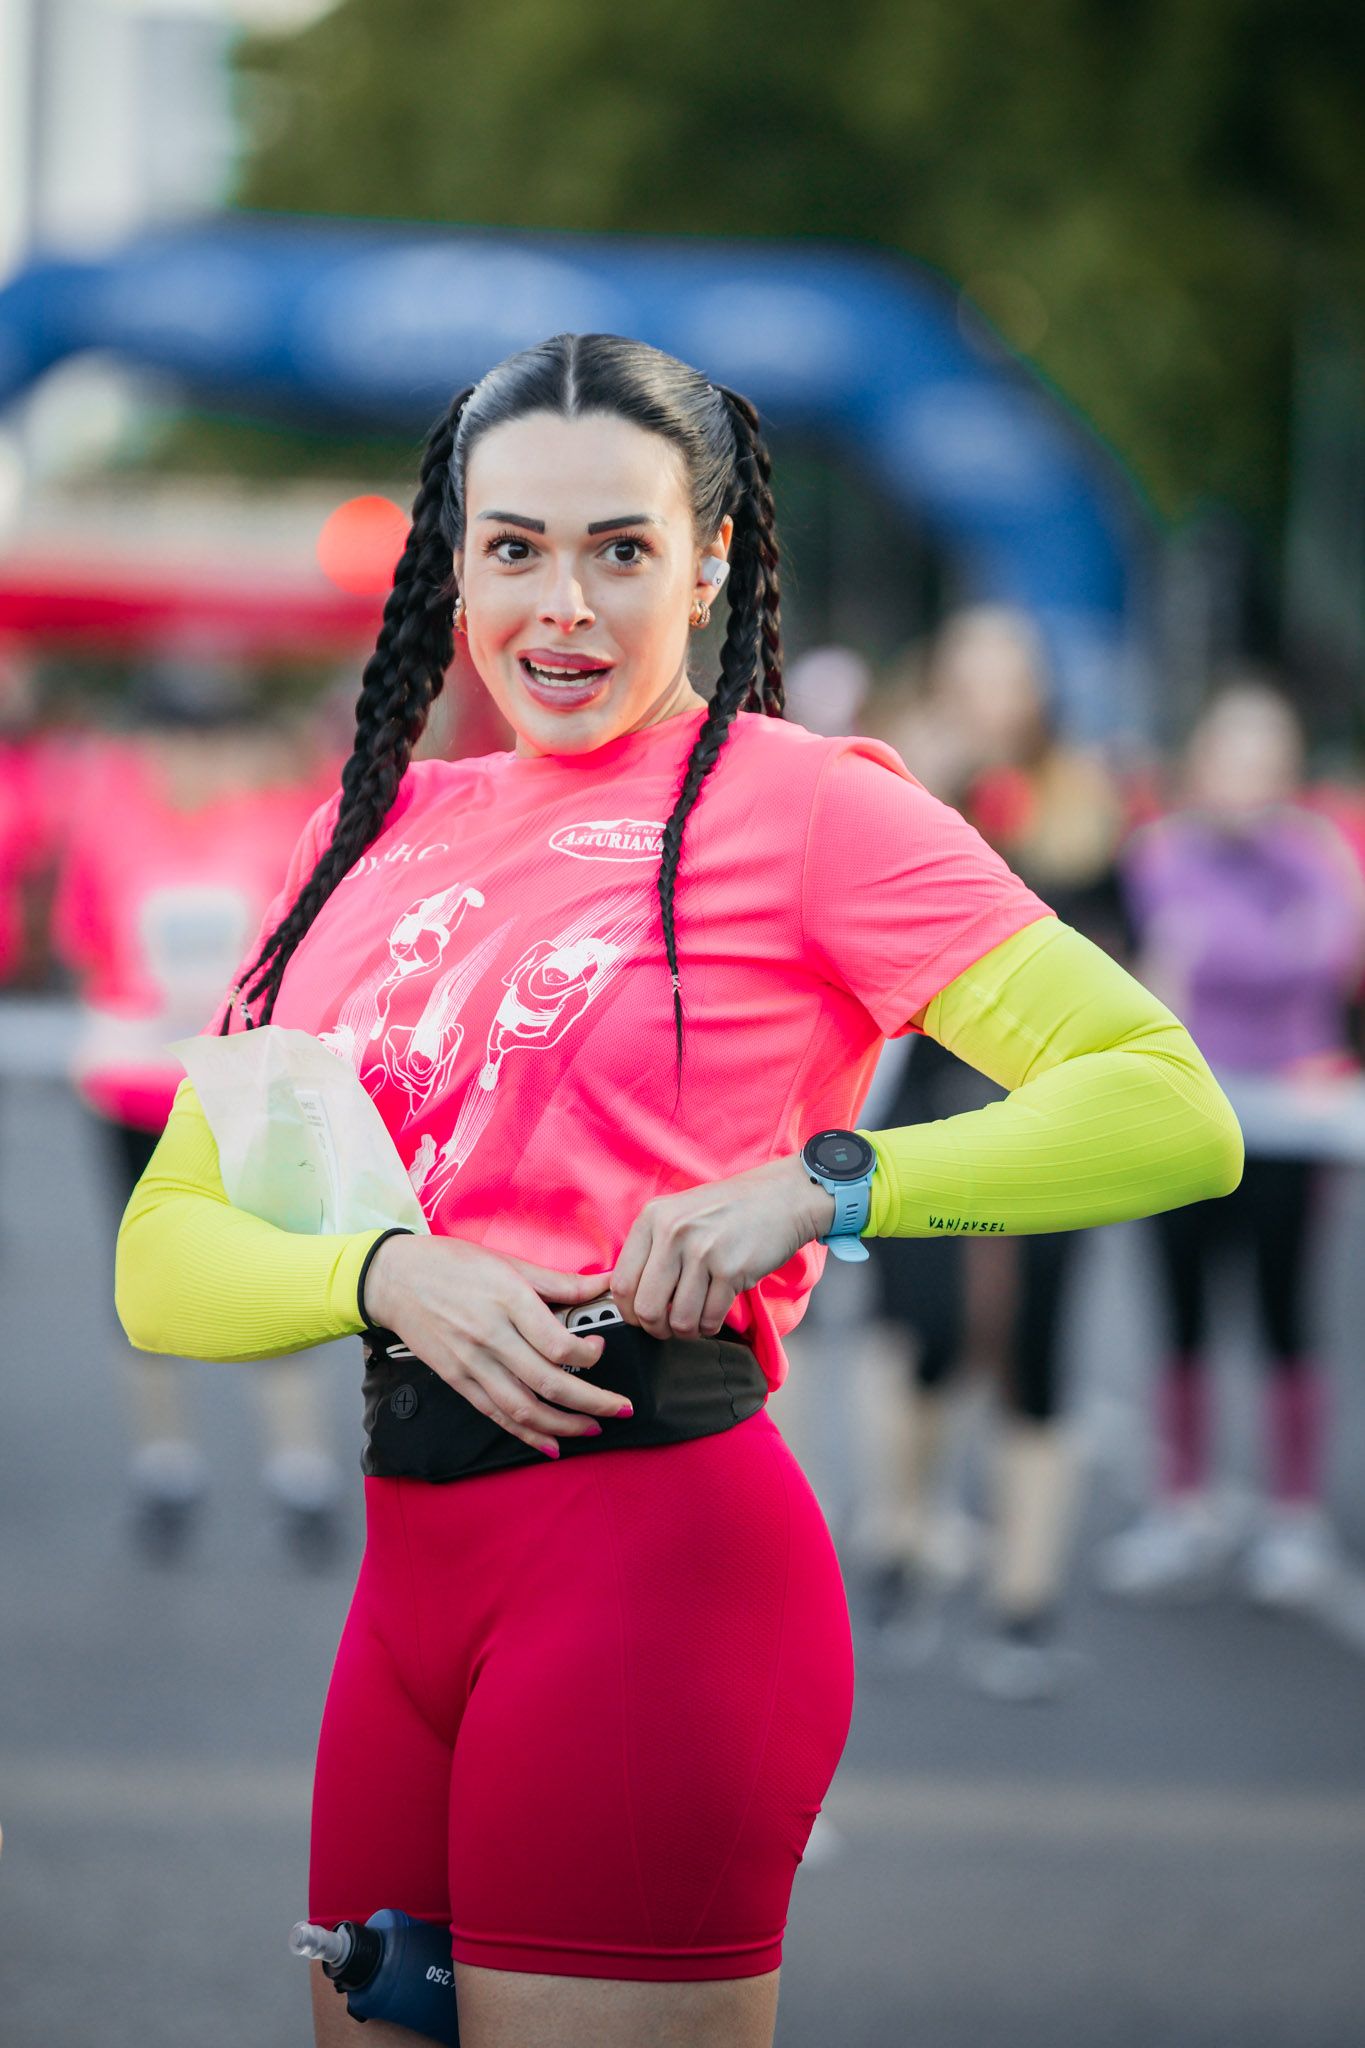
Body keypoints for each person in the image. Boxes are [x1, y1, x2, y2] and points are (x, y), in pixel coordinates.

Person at [114, 334, 1241, 2048]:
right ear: (457, 557)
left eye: (620, 548)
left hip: (652, 1576)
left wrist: (821, 1186)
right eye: (514, 546)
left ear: (711, 559)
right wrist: (386, 1272)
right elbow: (165, 1247)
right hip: (406, 1595)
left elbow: (1167, 1107)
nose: (560, 605)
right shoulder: (362, 830)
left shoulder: (805, 809)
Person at [53, 666, 347, 1559]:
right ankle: (165, 1464)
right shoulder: (110, 830)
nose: (193, 758)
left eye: (211, 739)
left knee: (270, 1270)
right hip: (138, 1089)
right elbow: (87, 942)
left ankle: (300, 1472)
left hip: (242, 1091)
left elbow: (312, 946)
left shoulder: (273, 829)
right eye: (175, 739)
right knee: (142, 1271)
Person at [1098, 680, 1365, 1608]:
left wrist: (1214, 954)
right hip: (1183, 1111)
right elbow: (1159, 970)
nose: (1245, 773)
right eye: (1230, 751)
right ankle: (1184, 1503)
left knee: (1286, 1312)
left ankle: (1293, 1516)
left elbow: (1321, 956)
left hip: (1292, 1123)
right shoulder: (1157, 854)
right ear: (1199, 762)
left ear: (1287, 769)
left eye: (1266, 754)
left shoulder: (1317, 855)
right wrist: (1244, 954)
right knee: (1180, 1311)